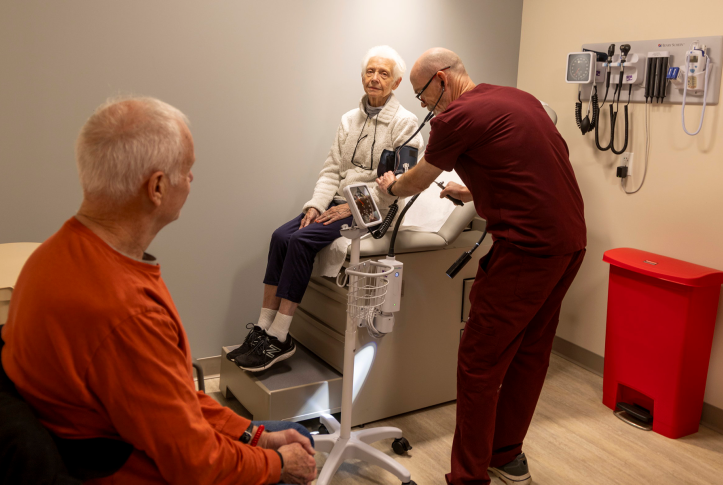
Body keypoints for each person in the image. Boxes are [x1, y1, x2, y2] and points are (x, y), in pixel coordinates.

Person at [1, 97, 317, 485]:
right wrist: (278, 465)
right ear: (156, 186)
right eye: (188, 169)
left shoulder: (47, 257)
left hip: (105, 439)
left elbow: (170, 393)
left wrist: (255, 436)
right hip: (133, 468)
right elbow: (196, 464)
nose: (191, 179)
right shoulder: (127, 312)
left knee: (288, 434)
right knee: (301, 446)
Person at [376, 48, 587, 485]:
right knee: (530, 354)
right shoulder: (520, 99)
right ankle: (506, 455)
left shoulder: (454, 118)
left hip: (526, 250)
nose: (424, 106)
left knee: (478, 362)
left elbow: (417, 178)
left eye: (422, 95)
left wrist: (392, 186)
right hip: (568, 244)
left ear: (440, 79)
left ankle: (469, 477)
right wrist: (474, 192)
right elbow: (535, 165)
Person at [229, 46, 423, 372]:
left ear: (397, 82)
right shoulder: (349, 119)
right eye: (370, 71)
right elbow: (332, 170)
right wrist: (316, 206)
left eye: (383, 73)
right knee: (281, 236)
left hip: (373, 208)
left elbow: (398, 183)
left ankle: (280, 336)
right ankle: (263, 328)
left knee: (302, 242)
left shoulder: (406, 123)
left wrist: (352, 207)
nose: (374, 78)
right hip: (338, 204)